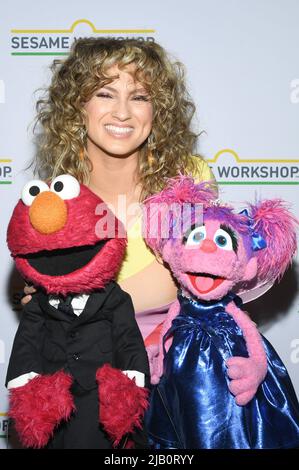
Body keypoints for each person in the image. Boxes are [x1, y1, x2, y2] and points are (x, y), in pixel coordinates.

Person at [21, 37, 216, 356]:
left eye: (139, 97)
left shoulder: (188, 179)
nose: (123, 113)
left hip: (176, 373)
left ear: (158, 109)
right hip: (88, 376)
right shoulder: (52, 200)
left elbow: (206, 280)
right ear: (77, 105)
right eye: (105, 94)